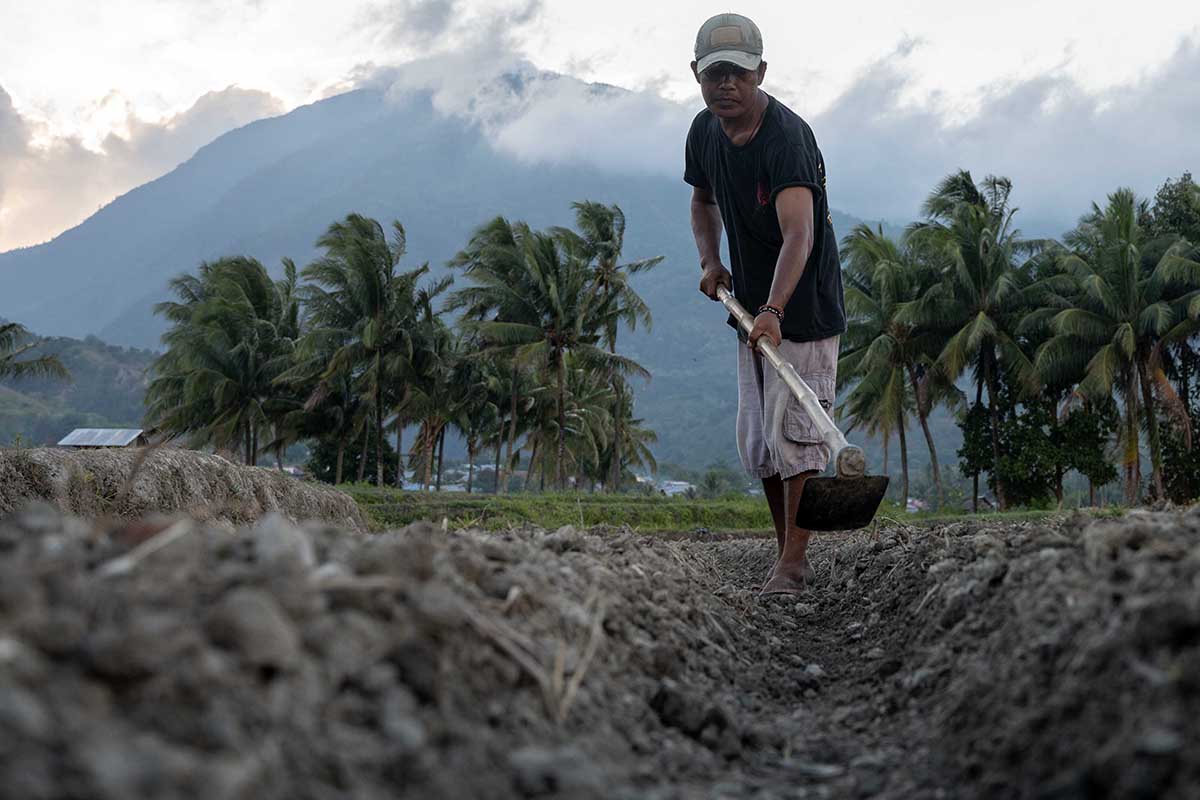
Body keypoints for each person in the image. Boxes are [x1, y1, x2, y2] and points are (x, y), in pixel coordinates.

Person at [685, 12, 846, 595]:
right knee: (764, 443)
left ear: (761, 73)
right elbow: (703, 201)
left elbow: (799, 233)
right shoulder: (704, 131)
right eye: (715, 74)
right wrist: (710, 261)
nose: (726, 84)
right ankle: (786, 555)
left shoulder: (786, 139)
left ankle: (794, 564)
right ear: (697, 75)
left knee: (798, 439)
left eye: (739, 73)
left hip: (801, 308)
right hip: (751, 309)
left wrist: (775, 311)